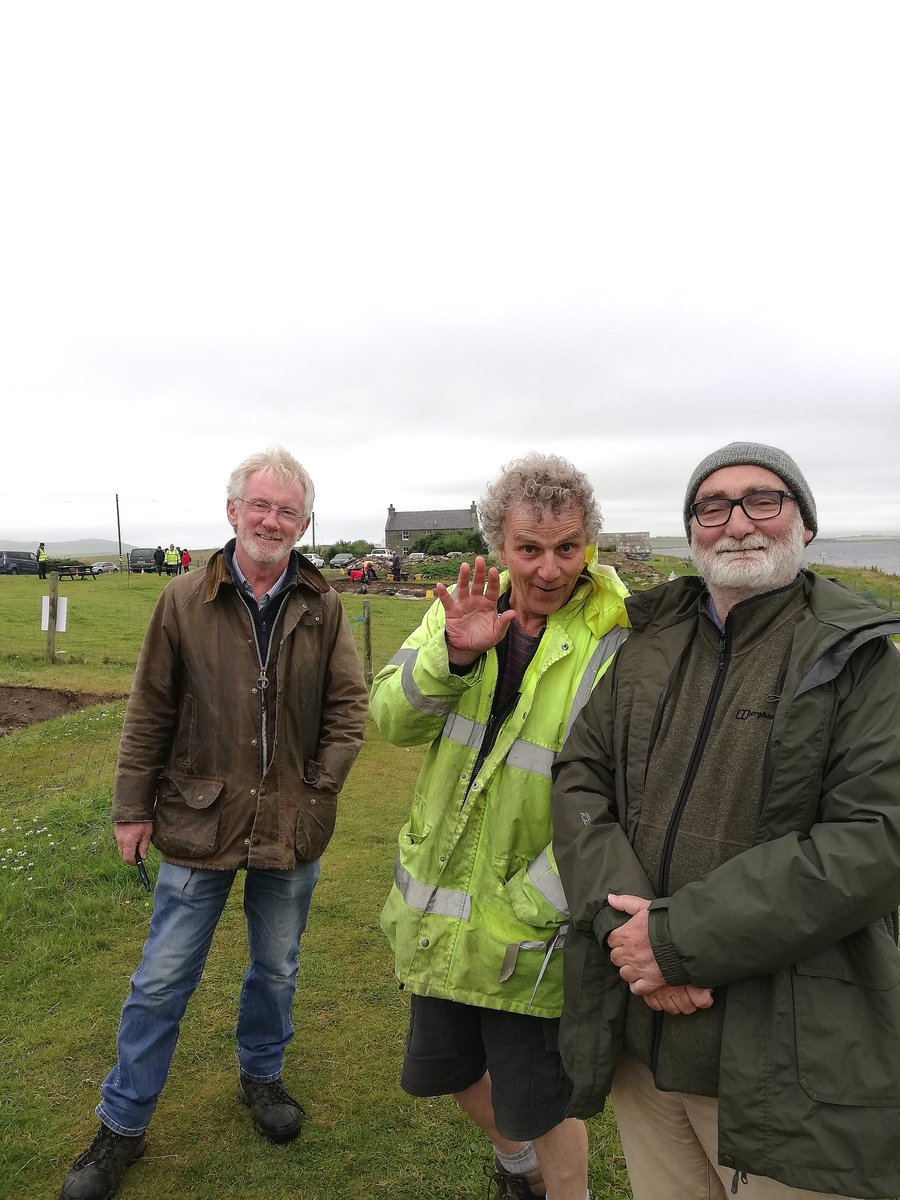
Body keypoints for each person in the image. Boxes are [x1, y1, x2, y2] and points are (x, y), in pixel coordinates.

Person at [552, 442, 900, 1200]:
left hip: (785, 1056)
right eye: (712, 507)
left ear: (804, 525)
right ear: (692, 532)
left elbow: (873, 841)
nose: (737, 522)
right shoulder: (648, 645)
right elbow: (580, 776)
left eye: (763, 500)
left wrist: (676, 941)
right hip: (641, 1041)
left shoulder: (863, 659)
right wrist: (626, 928)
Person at [60, 446, 368, 1200]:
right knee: (162, 981)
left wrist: (318, 786)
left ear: (303, 522)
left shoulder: (322, 605)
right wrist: (131, 809)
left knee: (278, 968)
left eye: (287, 511)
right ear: (233, 512)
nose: (272, 520)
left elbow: (349, 708)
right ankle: (122, 1126)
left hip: (290, 827)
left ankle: (262, 1080)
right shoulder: (181, 601)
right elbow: (149, 713)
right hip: (197, 823)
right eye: (259, 506)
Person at [371, 453, 630, 1200]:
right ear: (498, 545)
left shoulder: (614, 637)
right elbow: (391, 721)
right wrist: (451, 654)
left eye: (567, 548)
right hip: (442, 898)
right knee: (450, 1075)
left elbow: (617, 791)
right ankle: (518, 1173)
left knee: (542, 1102)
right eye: (529, 548)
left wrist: (543, 899)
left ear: (588, 543)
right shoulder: (455, 606)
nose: (549, 569)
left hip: (533, 917)